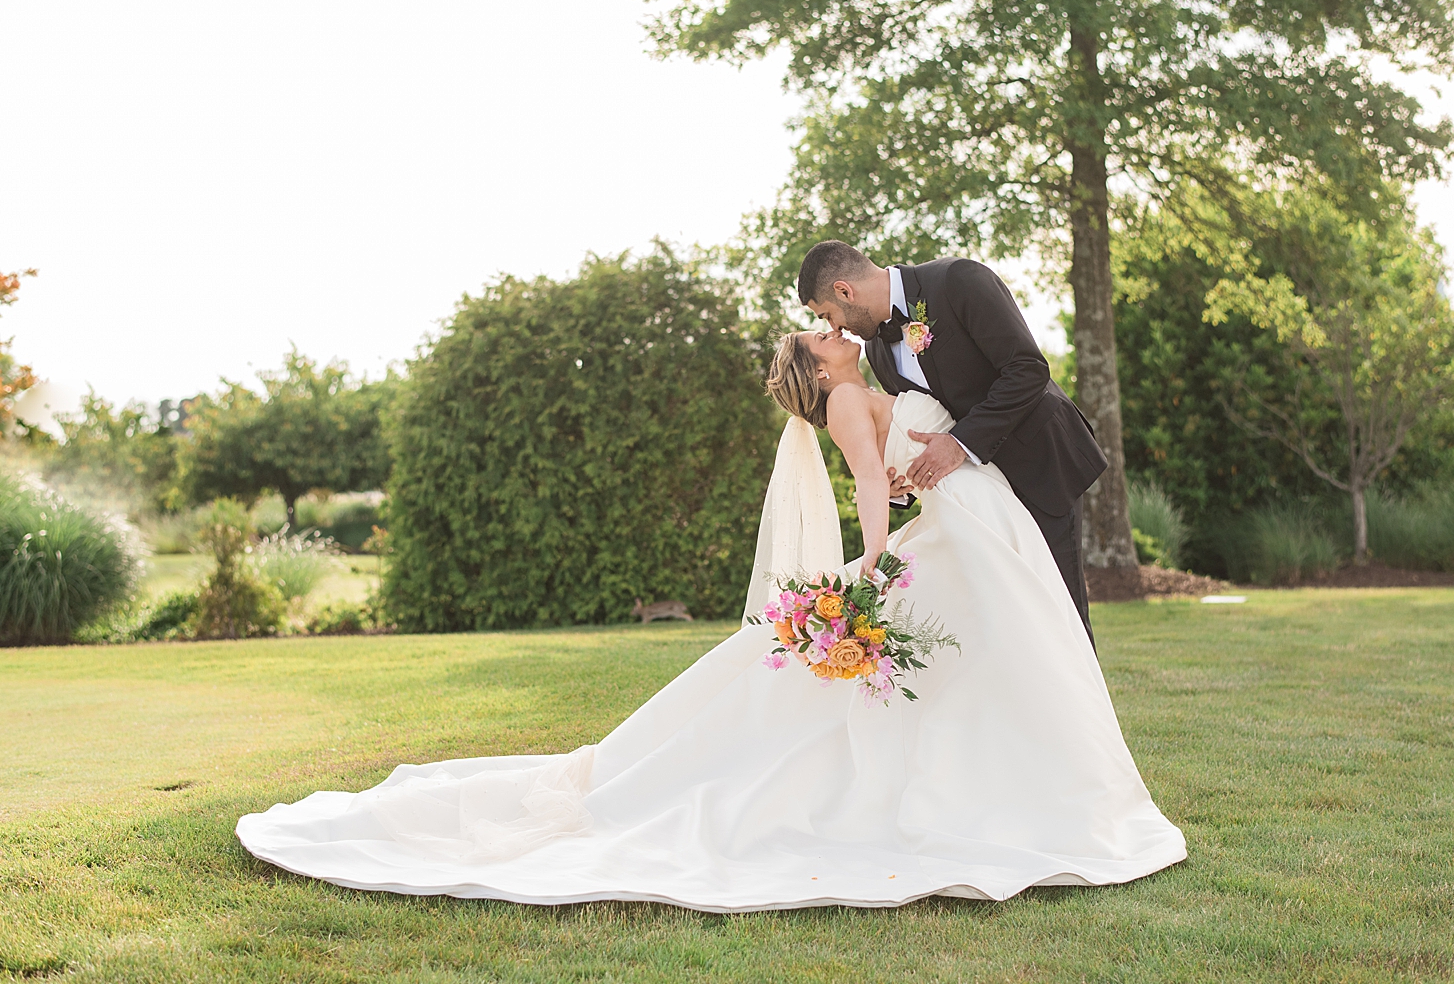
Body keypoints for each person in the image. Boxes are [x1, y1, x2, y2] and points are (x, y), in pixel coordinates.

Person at [236, 330, 1183, 914]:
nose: (831, 332)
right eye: (819, 337)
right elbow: (866, 481)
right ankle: (1002, 795)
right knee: (968, 671)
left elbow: (898, 459)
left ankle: (1006, 784)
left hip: (976, 524)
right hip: (949, 536)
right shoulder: (853, 396)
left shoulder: (874, 370)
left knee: (982, 669)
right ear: (820, 369)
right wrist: (881, 560)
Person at [798, 241, 1105, 646]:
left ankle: (1081, 711)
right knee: (1000, 625)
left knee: (1058, 610)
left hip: (1038, 462)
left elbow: (1027, 369)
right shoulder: (876, 350)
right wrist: (897, 485)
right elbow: (920, 424)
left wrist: (960, 443)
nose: (836, 328)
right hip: (972, 499)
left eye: (828, 315)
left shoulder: (958, 280)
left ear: (844, 291)